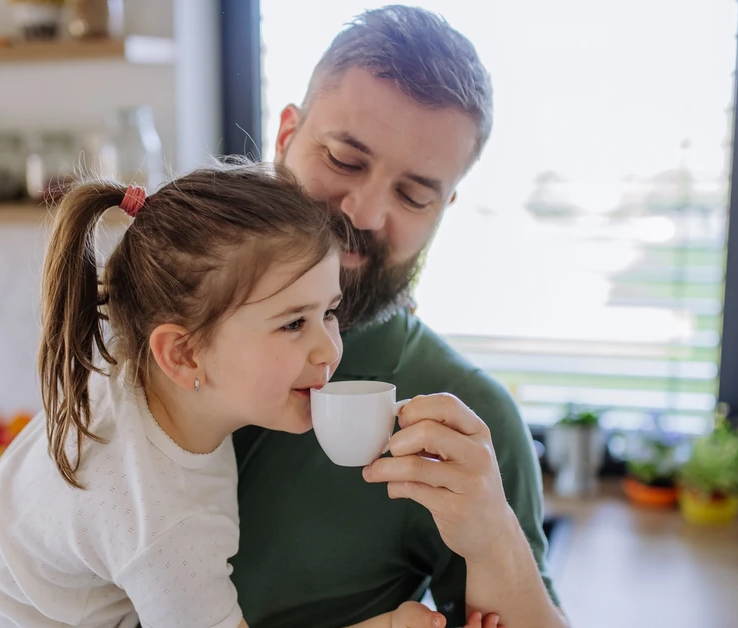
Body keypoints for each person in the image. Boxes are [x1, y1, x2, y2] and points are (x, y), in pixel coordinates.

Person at [0, 164, 490, 628]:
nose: (329, 349)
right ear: (183, 355)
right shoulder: (164, 520)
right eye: (293, 323)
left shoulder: (135, 367)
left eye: (329, 312)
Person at [231, 7, 567, 628]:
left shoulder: (466, 423)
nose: (363, 213)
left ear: (444, 208)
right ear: (285, 136)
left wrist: (494, 538)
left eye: (413, 195)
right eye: (344, 160)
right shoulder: (151, 316)